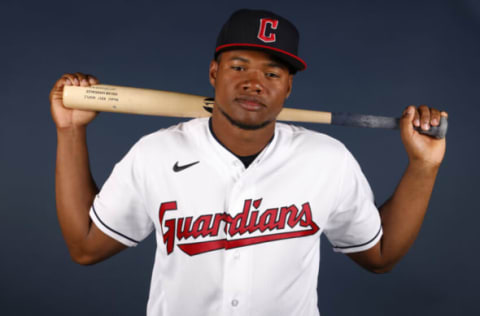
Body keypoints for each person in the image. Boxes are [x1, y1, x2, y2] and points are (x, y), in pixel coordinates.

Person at [50, 9, 447, 316]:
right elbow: (86, 247)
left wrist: (423, 166)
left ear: (288, 87)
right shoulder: (156, 153)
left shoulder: (327, 160)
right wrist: (70, 132)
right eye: (239, 66)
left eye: (272, 72)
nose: (254, 82)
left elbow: (380, 256)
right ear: (213, 72)